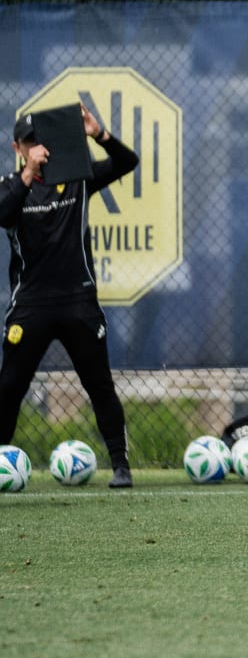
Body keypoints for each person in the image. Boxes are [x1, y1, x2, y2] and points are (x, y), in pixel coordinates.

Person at [0, 103, 141, 488]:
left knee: (99, 385)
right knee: (9, 387)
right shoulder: (10, 187)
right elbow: (2, 213)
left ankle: (120, 466)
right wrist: (28, 174)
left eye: (41, 141)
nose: (38, 148)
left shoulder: (78, 179)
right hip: (30, 306)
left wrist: (99, 135)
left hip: (78, 302)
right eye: (29, 143)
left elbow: (128, 162)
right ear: (17, 147)